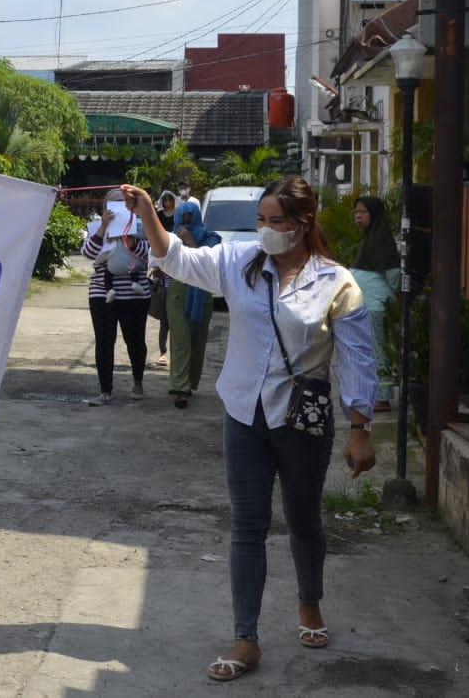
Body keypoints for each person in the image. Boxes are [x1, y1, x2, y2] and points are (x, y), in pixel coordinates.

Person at [121, 178, 377, 683]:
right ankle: (246, 637)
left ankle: (309, 604)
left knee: (304, 521)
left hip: (302, 423)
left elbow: (358, 358)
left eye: (274, 220)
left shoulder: (337, 282)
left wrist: (359, 426)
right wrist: (150, 211)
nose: (264, 229)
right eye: (260, 219)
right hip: (243, 414)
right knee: (247, 526)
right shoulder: (239, 261)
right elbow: (175, 258)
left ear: (303, 224)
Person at [79, 189, 152, 403]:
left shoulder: (141, 225)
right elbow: (87, 253)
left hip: (136, 295)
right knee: (104, 341)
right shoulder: (96, 227)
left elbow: (152, 254)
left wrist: (132, 242)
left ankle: (138, 382)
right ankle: (105, 391)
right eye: (112, 205)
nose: (117, 208)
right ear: (105, 208)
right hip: (102, 293)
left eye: (123, 204)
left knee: (135, 341)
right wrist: (103, 227)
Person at [166, 199, 219, 409]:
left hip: (201, 292)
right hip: (178, 292)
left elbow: (208, 262)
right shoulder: (171, 238)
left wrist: (189, 242)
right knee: (181, 340)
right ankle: (180, 388)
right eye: (182, 216)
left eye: (190, 215)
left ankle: (189, 382)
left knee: (197, 340)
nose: (185, 220)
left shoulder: (210, 237)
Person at [349, 195, 401, 394]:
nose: (358, 216)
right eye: (356, 212)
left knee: (378, 349)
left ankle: (383, 395)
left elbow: (393, 274)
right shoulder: (371, 238)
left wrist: (395, 296)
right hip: (369, 305)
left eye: (363, 212)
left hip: (376, 306)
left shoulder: (381, 240)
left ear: (375, 214)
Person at [153, 191, 178, 366]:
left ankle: (176, 353)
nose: (168, 203)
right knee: (165, 322)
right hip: (164, 283)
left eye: (170, 200)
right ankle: (163, 353)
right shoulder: (159, 216)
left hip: (178, 285)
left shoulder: (180, 239)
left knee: (177, 323)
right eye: (165, 200)